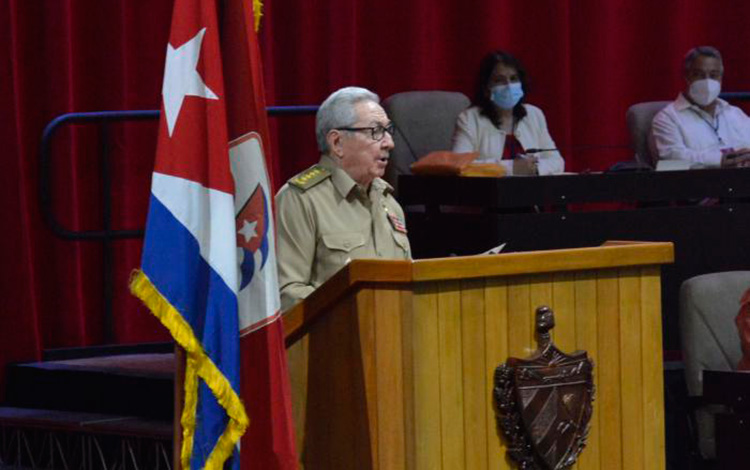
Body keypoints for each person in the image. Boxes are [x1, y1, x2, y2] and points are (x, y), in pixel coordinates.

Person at [275, 86, 411, 310]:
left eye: (388, 130)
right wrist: (363, 312)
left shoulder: (389, 202)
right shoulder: (300, 200)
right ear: (337, 143)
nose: (389, 142)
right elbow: (287, 294)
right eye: (375, 131)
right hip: (333, 341)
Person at [452, 50, 564, 176]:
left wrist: (536, 168)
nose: (509, 86)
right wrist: (510, 168)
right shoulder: (469, 119)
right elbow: (459, 166)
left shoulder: (534, 114)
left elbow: (557, 161)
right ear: (486, 89)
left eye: (514, 79)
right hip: (490, 193)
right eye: (499, 80)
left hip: (534, 192)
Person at [650, 46, 750, 168]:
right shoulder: (667, 118)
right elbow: (671, 162)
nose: (707, 81)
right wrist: (720, 160)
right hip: (697, 184)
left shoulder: (734, 113)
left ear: (721, 78)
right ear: (687, 77)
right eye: (699, 74)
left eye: (714, 75)